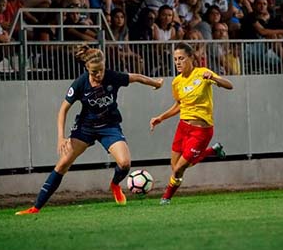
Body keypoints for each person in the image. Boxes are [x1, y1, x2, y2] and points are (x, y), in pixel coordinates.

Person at [16, 45, 164, 215]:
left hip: (109, 126)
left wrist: (156, 84)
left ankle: (114, 185)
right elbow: (63, 109)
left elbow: (136, 77)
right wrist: (60, 137)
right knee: (63, 164)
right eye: (94, 72)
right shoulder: (80, 83)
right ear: (87, 68)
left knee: (124, 163)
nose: (99, 75)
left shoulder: (112, 76)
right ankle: (36, 207)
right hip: (85, 128)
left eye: (100, 70)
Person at [149, 42, 233, 205]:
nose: (178, 62)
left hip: (201, 131)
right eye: (175, 59)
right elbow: (179, 105)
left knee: (180, 168)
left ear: (191, 58)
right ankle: (212, 151)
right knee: (175, 167)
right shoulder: (177, 82)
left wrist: (214, 78)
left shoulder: (203, 73)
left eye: (181, 58)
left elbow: (230, 85)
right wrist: (161, 117)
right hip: (183, 128)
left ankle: (166, 198)